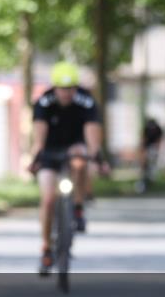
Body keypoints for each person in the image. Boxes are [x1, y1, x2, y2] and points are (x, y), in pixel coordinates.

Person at [27, 62, 106, 275]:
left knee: (80, 163)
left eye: (70, 88)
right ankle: (46, 248)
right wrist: (35, 157)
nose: (66, 93)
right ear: (55, 87)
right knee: (48, 199)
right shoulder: (44, 102)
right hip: (50, 150)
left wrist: (97, 155)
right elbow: (39, 136)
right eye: (62, 89)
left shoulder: (86, 101)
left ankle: (78, 207)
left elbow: (92, 134)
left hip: (74, 146)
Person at [138, 117, 163, 191]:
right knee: (147, 164)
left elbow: (159, 140)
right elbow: (144, 139)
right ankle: (146, 177)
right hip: (148, 147)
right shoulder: (148, 129)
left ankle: (150, 178)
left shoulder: (158, 129)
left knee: (152, 164)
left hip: (153, 147)